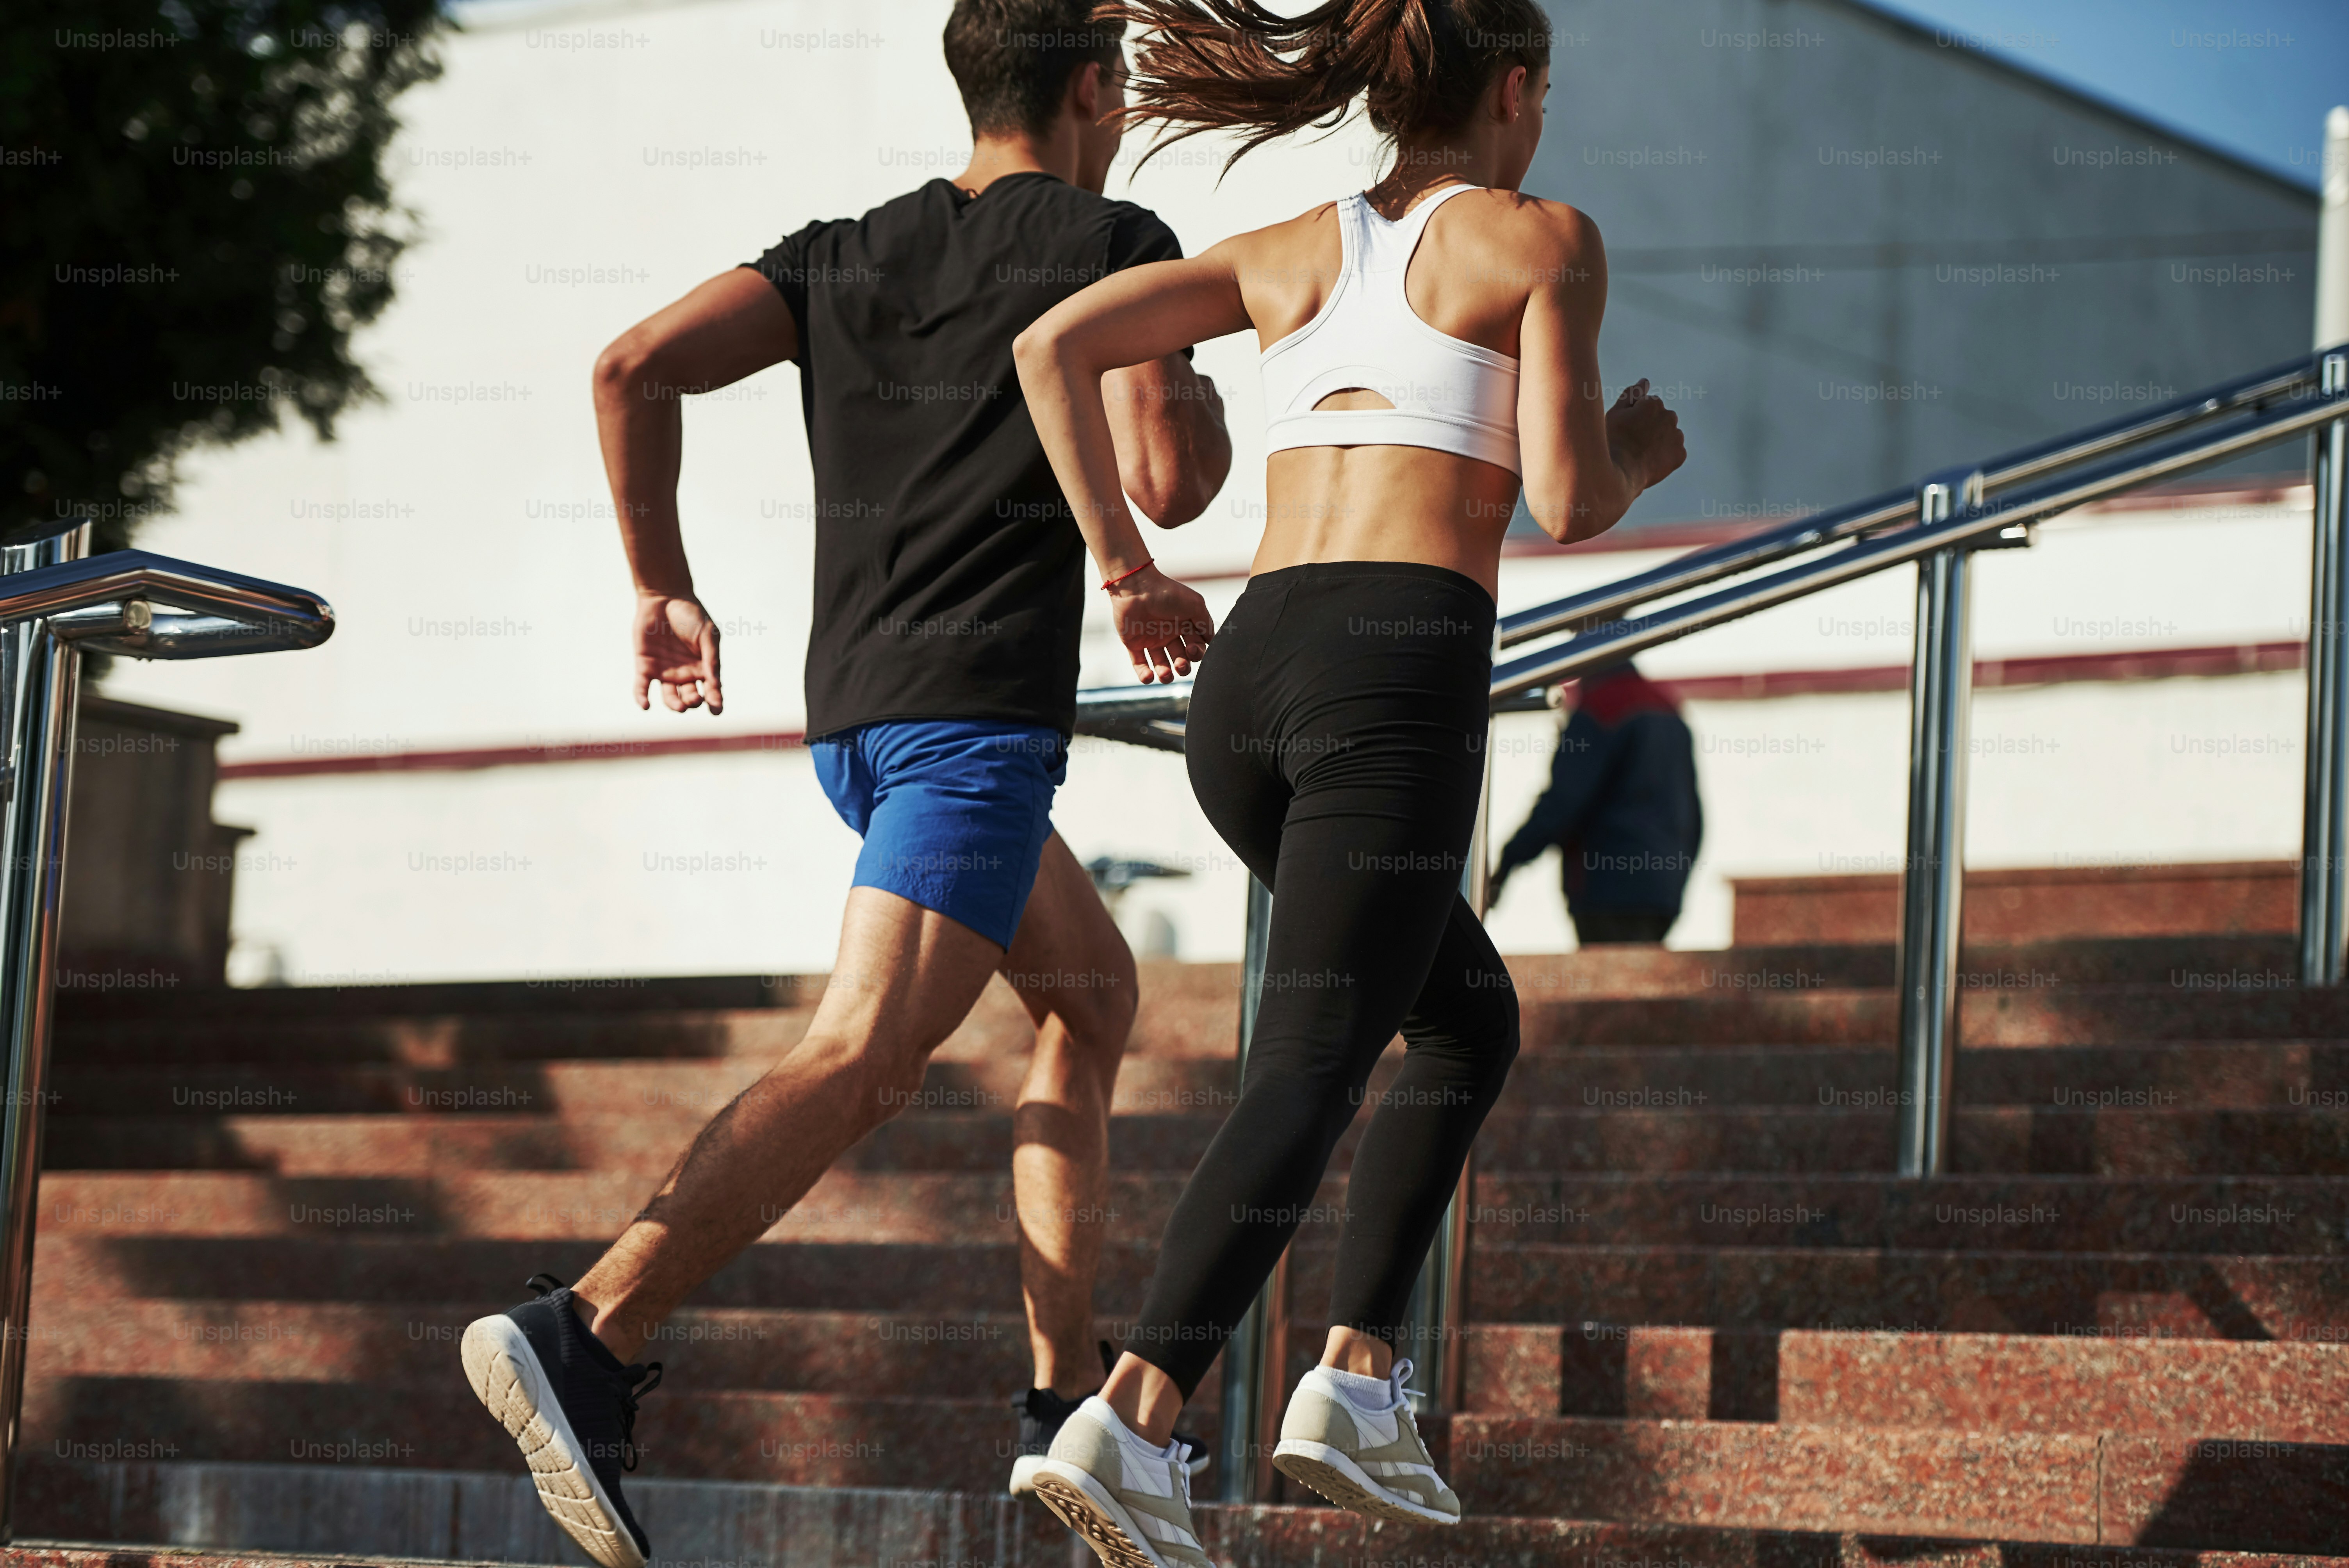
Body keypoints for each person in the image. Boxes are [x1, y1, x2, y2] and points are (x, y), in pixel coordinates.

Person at [456, 6, 1231, 1566]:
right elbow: (1168, 481)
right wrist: (1183, 364)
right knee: (867, 1049)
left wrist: (660, 584)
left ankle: (1059, 1399)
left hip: (856, 721)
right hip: (972, 725)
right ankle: (590, 1327)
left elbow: (629, 366)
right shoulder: (1116, 237)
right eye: (1125, 85)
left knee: (1089, 998)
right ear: (1095, 90)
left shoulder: (844, 248)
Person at [1011, 1, 1688, 1561]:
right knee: (1311, 1067)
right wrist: (1643, 444)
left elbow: (1052, 346)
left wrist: (1126, 565)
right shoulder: (1541, 238)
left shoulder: (1291, 244)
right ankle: (1133, 1413)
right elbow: (1573, 496)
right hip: (1396, 677)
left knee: (1462, 1015)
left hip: (1247, 692)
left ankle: (1354, 1376)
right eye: (1543, 98)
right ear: (1514, 92)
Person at [1490, 659, 1704, 944]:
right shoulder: (1668, 708)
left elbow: (1563, 803)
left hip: (1607, 887)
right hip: (1661, 890)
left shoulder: (1601, 706)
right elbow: (1692, 813)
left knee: (1607, 982)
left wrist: (1508, 861)